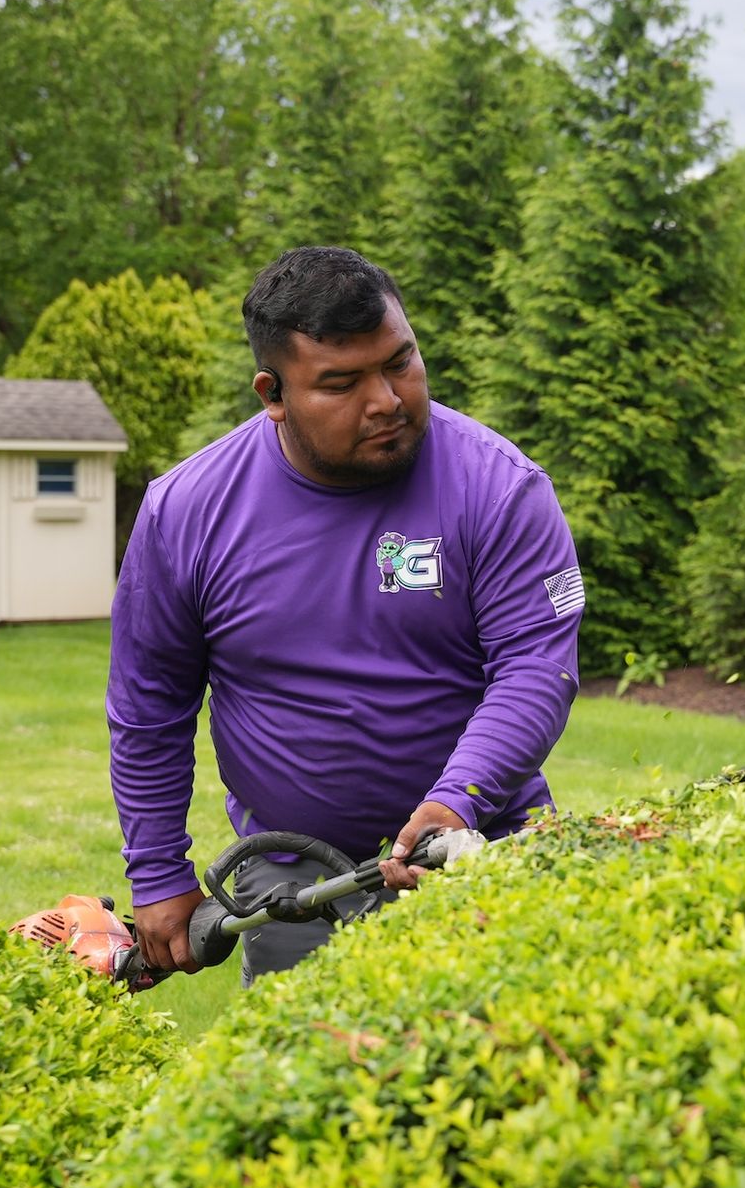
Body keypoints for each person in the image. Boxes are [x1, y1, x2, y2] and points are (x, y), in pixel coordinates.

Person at [106, 246, 582, 985]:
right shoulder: (187, 512)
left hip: (478, 851)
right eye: (342, 382)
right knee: (315, 1089)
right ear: (273, 392)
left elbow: (536, 668)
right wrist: (158, 874)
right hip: (293, 887)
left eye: (400, 362)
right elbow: (148, 708)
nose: (387, 399)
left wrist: (460, 801)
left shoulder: (500, 487)